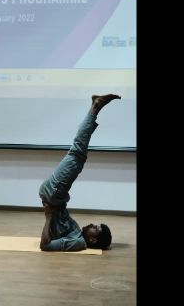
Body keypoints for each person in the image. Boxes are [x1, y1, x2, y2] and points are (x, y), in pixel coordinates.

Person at [39, 94, 121, 251]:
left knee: (77, 153)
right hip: (55, 195)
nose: (92, 224)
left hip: (54, 194)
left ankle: (95, 106)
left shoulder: (79, 242)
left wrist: (48, 217)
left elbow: (45, 245)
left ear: (93, 239)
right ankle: (95, 107)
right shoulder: (78, 234)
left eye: (95, 228)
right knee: (78, 155)